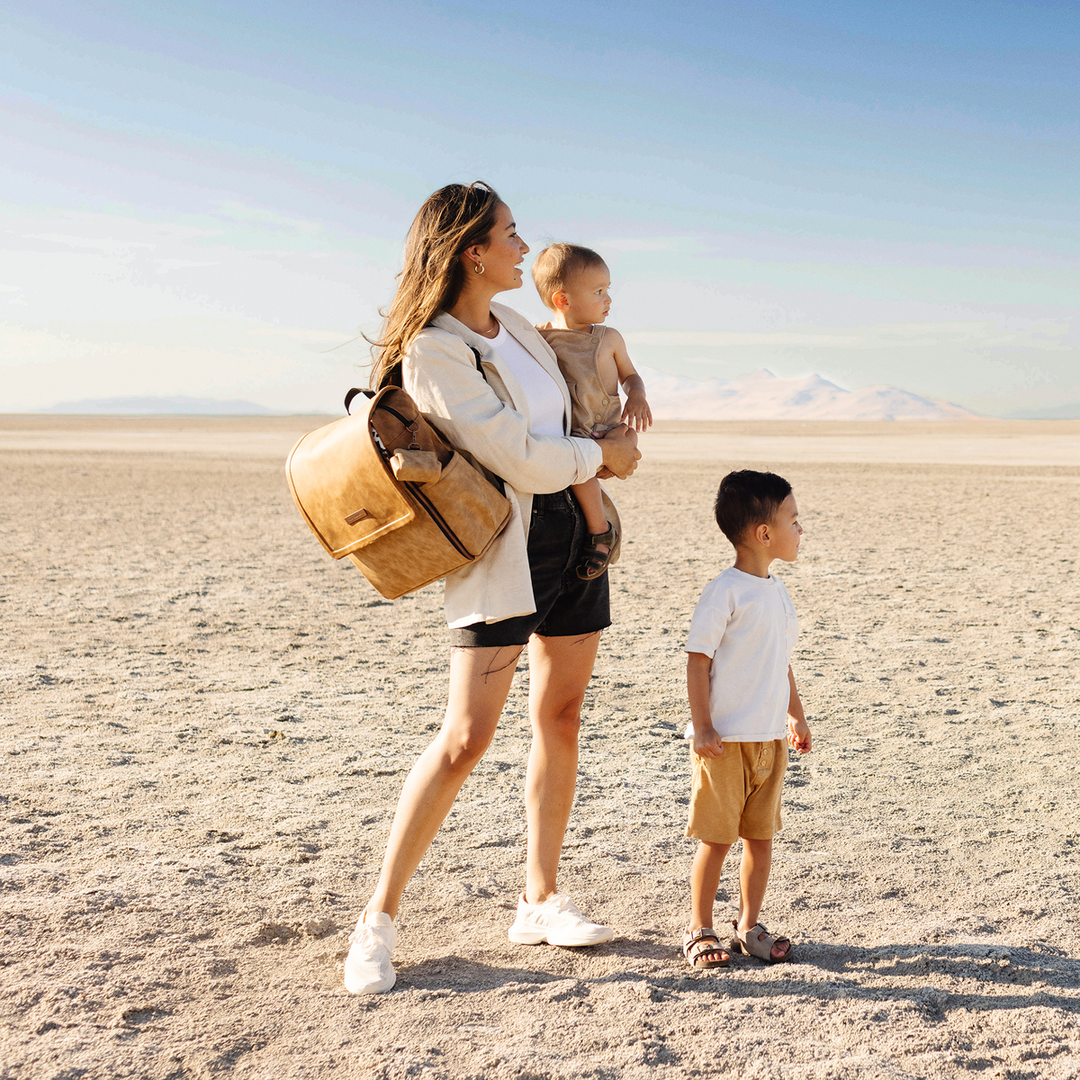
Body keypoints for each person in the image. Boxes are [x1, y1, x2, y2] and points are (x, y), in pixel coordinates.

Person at [343, 182, 641, 995]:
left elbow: (568, 420)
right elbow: (520, 456)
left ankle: (539, 899)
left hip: (576, 534)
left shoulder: (513, 326)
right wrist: (600, 461)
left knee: (562, 717)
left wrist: (607, 446)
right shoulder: (434, 350)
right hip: (506, 549)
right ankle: (378, 920)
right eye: (511, 234)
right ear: (473, 251)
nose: (522, 245)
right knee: (466, 738)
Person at [681, 470, 812, 970]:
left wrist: (795, 717)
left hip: (769, 742)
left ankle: (748, 926)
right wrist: (704, 727)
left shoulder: (777, 592)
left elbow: (781, 662)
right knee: (716, 840)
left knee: (761, 838)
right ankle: (699, 928)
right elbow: (698, 659)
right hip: (725, 743)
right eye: (793, 520)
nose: (800, 530)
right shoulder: (725, 593)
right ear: (763, 533)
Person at [531, 243, 652, 581]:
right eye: (598, 291)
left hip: (609, 425)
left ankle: (599, 521)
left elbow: (630, 375)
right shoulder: (539, 337)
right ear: (563, 300)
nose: (608, 299)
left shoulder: (609, 338)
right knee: (582, 470)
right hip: (574, 433)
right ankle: (601, 531)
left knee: (625, 440)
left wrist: (638, 395)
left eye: (608, 290)